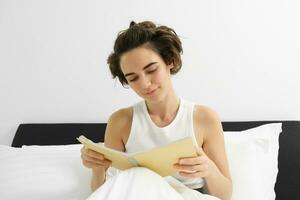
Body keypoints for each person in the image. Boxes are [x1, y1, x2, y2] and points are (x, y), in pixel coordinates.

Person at [80, 21, 232, 200]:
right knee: (138, 176)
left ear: (170, 61)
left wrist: (209, 169)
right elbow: (106, 193)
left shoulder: (204, 118)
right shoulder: (121, 121)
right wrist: (98, 169)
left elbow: (225, 195)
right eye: (133, 78)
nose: (144, 84)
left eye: (151, 70)